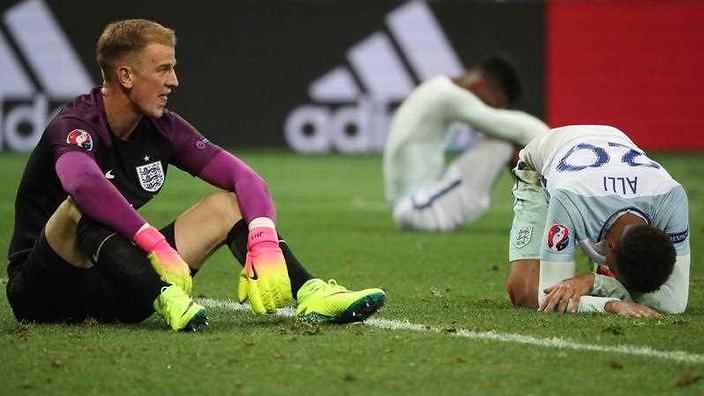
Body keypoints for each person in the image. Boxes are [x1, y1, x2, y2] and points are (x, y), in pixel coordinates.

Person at [5, 19, 385, 332]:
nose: (174, 81)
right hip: (45, 292)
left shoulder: (163, 128)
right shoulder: (75, 124)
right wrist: (153, 243)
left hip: (121, 284)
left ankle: (310, 291)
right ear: (125, 75)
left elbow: (246, 179)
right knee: (82, 205)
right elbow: (84, 185)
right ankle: (166, 296)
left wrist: (264, 239)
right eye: (163, 69)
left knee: (229, 205)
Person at [506, 125, 690, 316]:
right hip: (540, 166)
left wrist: (593, 282)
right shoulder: (570, 198)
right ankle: (606, 276)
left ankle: (605, 275)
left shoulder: (671, 197)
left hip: (611, 145)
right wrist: (612, 304)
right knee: (526, 293)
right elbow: (550, 299)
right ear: (608, 246)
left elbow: (675, 303)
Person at [383, 54, 549, 232]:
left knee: (507, 144)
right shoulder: (448, 95)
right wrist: (555, 140)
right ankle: (548, 211)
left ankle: (543, 210)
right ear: (483, 83)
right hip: (417, 211)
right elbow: (515, 128)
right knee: (501, 145)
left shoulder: (437, 88)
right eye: (497, 102)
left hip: (415, 204)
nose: (495, 108)